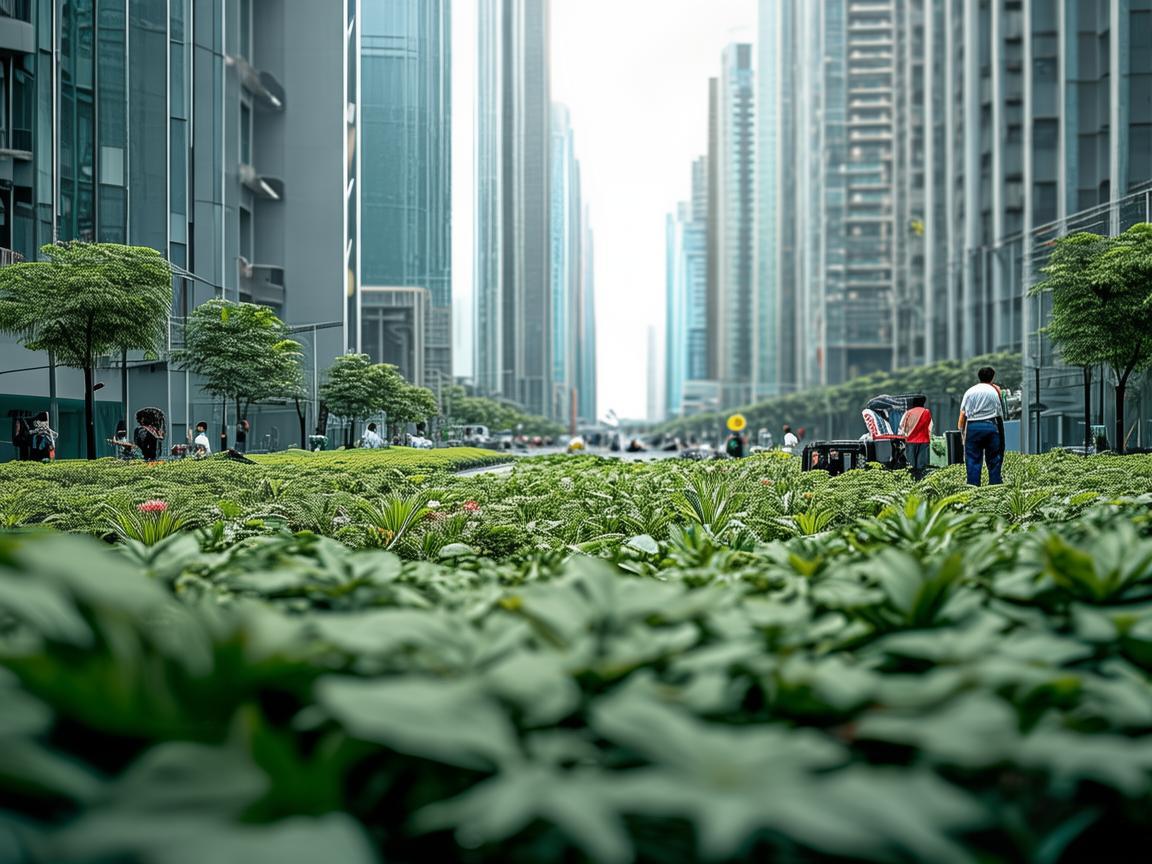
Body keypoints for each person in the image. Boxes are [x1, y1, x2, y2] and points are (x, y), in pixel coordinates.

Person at [959, 366, 1005, 486]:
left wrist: (962, 433)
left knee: (973, 461)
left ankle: (973, 489)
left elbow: (963, 413)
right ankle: (995, 488)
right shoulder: (994, 391)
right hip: (991, 426)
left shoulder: (970, 391)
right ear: (992, 377)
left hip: (973, 427)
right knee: (994, 459)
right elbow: (1000, 414)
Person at [899, 395, 933, 481]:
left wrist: (903, 435)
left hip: (911, 440)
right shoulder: (927, 412)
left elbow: (902, 426)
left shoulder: (908, 412)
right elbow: (930, 426)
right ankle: (920, 481)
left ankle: (911, 481)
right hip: (924, 440)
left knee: (911, 464)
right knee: (921, 464)